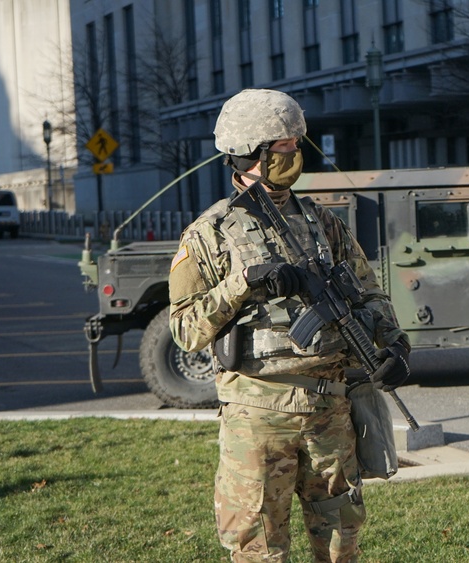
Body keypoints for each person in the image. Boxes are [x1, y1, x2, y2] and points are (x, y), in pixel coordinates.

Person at [168, 89, 410, 562]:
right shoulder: (209, 234)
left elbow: (370, 291)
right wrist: (243, 283)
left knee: (342, 539)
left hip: (330, 409)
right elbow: (185, 329)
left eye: (297, 145)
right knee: (259, 545)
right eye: (283, 147)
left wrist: (396, 347)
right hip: (257, 417)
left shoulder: (324, 222)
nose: (294, 154)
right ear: (248, 153)